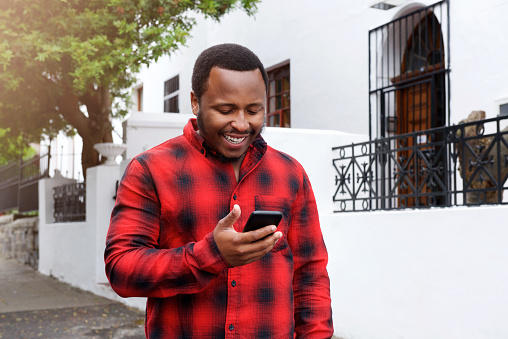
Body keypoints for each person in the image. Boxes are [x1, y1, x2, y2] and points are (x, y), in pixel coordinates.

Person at [105, 43, 333, 338]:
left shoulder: (290, 173)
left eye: (253, 110)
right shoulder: (150, 170)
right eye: (225, 110)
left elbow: (310, 273)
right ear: (195, 102)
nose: (240, 124)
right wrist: (210, 254)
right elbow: (121, 270)